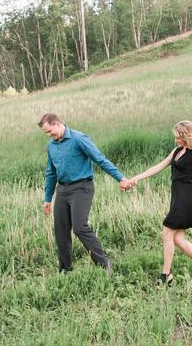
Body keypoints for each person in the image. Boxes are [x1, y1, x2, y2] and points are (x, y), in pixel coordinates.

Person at [39, 113, 133, 274]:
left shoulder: (78, 138)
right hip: (62, 190)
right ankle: (65, 270)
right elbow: (51, 173)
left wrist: (121, 178)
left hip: (82, 187)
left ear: (57, 124)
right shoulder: (51, 146)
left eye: (49, 131)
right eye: (46, 133)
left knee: (79, 227)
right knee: (60, 230)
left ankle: (105, 266)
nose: (49, 135)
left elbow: (100, 159)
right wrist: (47, 199)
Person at [129, 120, 192, 284]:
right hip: (177, 196)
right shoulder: (177, 151)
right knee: (178, 239)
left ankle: (166, 275)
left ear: (186, 135)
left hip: (186, 198)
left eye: (178, 137)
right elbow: (158, 167)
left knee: (167, 233)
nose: (176, 139)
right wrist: (137, 178)